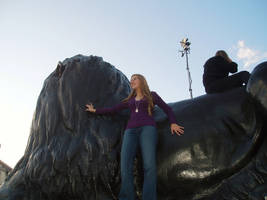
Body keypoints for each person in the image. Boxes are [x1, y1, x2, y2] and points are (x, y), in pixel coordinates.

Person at [85, 74, 184, 200]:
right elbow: (113, 109)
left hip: (147, 129)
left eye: (134, 79)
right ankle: (126, 197)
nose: (132, 81)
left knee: (149, 165)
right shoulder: (129, 100)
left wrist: (173, 122)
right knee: (125, 164)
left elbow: (167, 109)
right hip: (130, 131)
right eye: (131, 80)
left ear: (142, 81)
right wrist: (95, 110)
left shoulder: (152, 95)